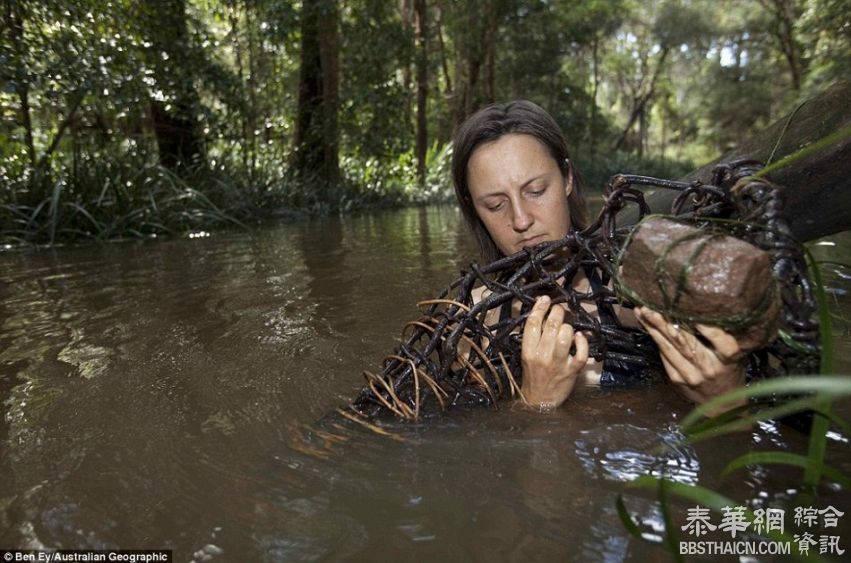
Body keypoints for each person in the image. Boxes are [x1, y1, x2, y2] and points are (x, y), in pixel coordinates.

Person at [451, 100, 747, 412]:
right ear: (474, 209)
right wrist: (534, 401)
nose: (521, 220)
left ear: (566, 178)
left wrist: (728, 399)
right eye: (496, 205)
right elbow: (473, 441)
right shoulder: (472, 320)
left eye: (536, 190)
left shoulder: (638, 291)